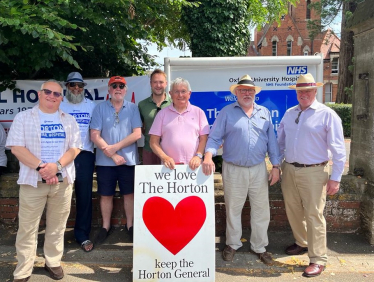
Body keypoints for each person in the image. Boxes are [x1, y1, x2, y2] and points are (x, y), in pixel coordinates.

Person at [6, 80, 81, 282]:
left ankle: (53, 262)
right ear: (39, 94)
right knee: (27, 228)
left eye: (57, 94)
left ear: (61, 98)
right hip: (33, 181)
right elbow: (16, 148)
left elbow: (75, 149)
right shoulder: (23, 118)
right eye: (48, 92)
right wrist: (41, 167)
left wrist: (55, 167)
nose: (52, 96)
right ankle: (23, 269)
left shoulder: (69, 120)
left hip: (62, 181)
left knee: (57, 226)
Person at [202, 74, 280, 265]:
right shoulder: (226, 112)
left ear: (255, 93)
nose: (247, 93)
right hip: (233, 169)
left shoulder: (264, 113)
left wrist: (276, 166)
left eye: (250, 90)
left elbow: (273, 142)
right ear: (236, 93)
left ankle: (259, 246)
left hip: (258, 169)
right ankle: (232, 244)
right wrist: (208, 155)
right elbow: (214, 138)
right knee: (233, 209)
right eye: (243, 90)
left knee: (261, 210)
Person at [277, 73, 346, 277]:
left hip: (315, 171)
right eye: (300, 90)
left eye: (307, 90)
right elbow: (280, 142)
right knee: (293, 210)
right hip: (289, 169)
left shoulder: (327, 115)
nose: (304, 93)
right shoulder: (289, 113)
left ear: (315, 91)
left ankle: (318, 259)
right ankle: (303, 242)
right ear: (296, 92)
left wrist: (336, 177)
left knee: (314, 214)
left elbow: (339, 149)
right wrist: (276, 164)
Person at [90, 76, 142, 243]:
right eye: (114, 86)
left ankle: (130, 225)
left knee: (129, 194)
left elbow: (137, 134)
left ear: (126, 90)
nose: (118, 88)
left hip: (128, 161)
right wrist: (112, 154)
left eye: (121, 86)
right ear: (109, 89)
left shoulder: (133, 108)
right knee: (105, 195)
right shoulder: (99, 108)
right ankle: (105, 227)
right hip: (106, 162)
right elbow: (94, 135)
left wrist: (115, 147)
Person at [60, 72, 96, 252]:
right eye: (72, 85)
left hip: (85, 155)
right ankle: (57, 236)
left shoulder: (92, 105)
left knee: (84, 196)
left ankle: (82, 235)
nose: (76, 89)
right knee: (59, 195)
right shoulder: (58, 104)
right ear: (66, 86)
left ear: (83, 88)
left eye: (79, 86)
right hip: (62, 155)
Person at [149, 77, 209, 170]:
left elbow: (203, 139)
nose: (180, 95)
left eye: (183, 91)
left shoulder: (199, 112)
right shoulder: (162, 114)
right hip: (169, 168)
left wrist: (198, 156)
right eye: (176, 91)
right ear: (171, 94)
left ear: (189, 94)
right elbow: (153, 142)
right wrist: (165, 158)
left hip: (194, 167)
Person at [138, 69, 172, 164]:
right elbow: (140, 128)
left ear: (166, 83)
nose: (158, 85)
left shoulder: (174, 103)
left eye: (161, 82)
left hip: (171, 152)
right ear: (150, 83)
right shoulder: (142, 105)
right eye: (155, 82)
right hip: (149, 151)